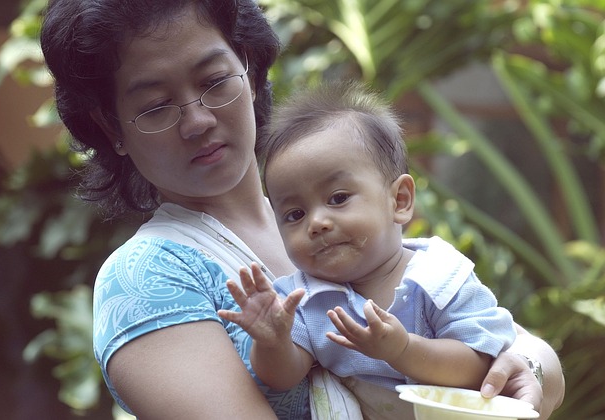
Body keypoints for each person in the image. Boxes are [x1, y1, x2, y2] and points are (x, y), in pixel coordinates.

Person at [38, 0, 565, 419]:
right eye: (154, 105)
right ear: (112, 129)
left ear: (248, 67)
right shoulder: (147, 279)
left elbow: (520, 351)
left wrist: (525, 373)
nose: (197, 121)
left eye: (214, 80)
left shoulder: (337, 219)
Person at [218, 80, 517, 414]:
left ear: (399, 201)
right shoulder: (304, 299)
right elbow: (285, 376)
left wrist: (402, 349)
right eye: (295, 214)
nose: (316, 223)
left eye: (338, 198)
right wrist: (272, 342)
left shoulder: (441, 278)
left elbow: (480, 365)